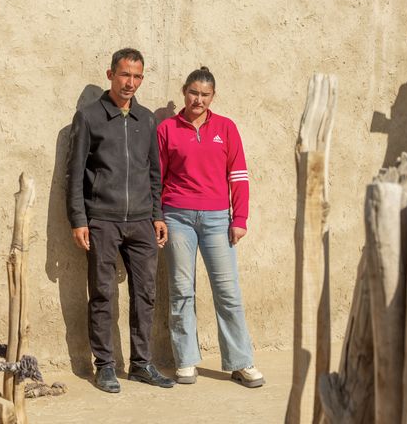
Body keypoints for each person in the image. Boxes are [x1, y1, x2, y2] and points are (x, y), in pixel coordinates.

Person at [66, 47, 175, 393]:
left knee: (145, 294)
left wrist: (157, 215)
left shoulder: (146, 119)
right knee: (102, 294)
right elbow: (74, 173)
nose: (131, 82)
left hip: (142, 221)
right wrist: (79, 219)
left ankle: (141, 364)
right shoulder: (88, 117)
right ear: (111, 74)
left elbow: (154, 172)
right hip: (102, 220)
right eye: (125, 74)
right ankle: (105, 365)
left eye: (137, 76)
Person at [156, 66, 265, 388]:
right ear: (184, 92)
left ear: (213, 96)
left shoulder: (226, 128)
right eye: (193, 93)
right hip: (177, 217)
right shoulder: (166, 129)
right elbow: (156, 177)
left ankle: (240, 362)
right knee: (181, 290)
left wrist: (240, 219)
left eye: (205, 95)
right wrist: (157, 216)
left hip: (218, 219)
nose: (198, 100)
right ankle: (186, 360)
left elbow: (238, 175)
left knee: (227, 292)